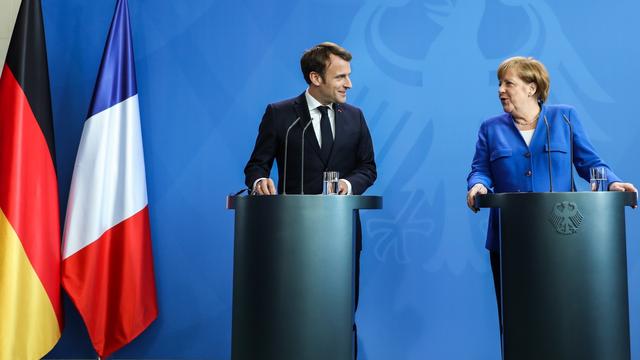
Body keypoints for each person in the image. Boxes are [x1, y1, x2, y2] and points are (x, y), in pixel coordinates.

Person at [465, 56, 637, 331]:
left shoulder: (564, 118)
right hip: (510, 242)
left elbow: (590, 163)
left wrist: (613, 183)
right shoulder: (490, 128)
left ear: (531, 88)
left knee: (564, 323)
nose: (500, 90)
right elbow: (480, 170)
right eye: (499, 84)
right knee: (517, 325)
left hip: (563, 241)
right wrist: (478, 185)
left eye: (508, 83)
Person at [243, 42, 376, 356]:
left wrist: (349, 183)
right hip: (291, 235)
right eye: (341, 77)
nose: (349, 84)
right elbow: (256, 165)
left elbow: (368, 167)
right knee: (291, 314)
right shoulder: (280, 115)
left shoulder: (354, 117)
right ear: (316, 78)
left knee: (341, 312)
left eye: (349, 76)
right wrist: (260, 180)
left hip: (341, 233)